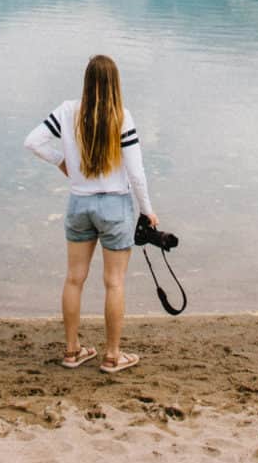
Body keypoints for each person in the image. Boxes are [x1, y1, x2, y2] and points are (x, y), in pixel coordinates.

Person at [24, 53, 158, 373]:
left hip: (79, 205)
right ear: (115, 84)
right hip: (115, 207)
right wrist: (148, 212)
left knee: (74, 279)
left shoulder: (68, 111)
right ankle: (112, 356)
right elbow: (136, 174)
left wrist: (61, 161)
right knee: (114, 282)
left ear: (87, 80)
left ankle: (72, 352)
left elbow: (32, 141)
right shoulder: (121, 117)